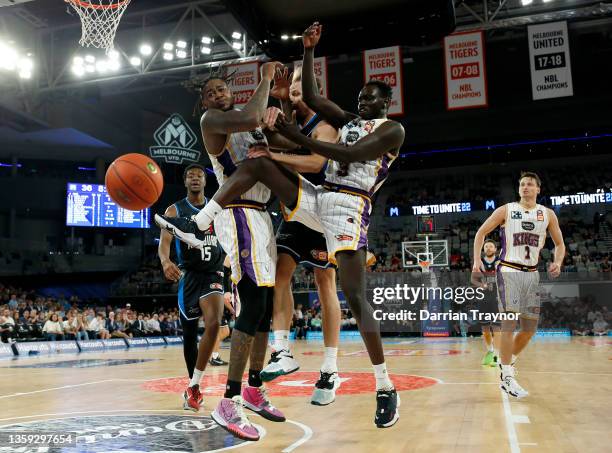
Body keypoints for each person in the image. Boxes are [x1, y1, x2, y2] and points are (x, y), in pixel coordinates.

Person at [159, 23, 404, 428]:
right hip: (315, 198)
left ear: (386, 102)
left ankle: (384, 385)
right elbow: (309, 96)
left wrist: (293, 135)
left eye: (372, 98)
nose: (363, 101)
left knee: (355, 300)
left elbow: (343, 153)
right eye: (361, 96)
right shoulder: (346, 118)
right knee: (259, 162)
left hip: (349, 208)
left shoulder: (392, 130)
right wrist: (309, 51)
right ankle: (204, 220)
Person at [156, 61, 287, 440]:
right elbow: (251, 115)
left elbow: (274, 133)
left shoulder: (250, 118)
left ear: (232, 90)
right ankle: (228, 401)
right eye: (210, 92)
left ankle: (254, 386)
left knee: (264, 308)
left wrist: (281, 98)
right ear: (204, 103)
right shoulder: (214, 121)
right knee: (251, 305)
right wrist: (264, 79)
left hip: (261, 215)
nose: (217, 95)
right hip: (237, 214)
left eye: (221, 89)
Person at [253, 66, 343, 406]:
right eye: (289, 84)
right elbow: (275, 134)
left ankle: (330, 368)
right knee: (281, 273)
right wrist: (271, 106)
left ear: (312, 89)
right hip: (296, 212)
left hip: (324, 211)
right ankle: (283, 351)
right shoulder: (289, 119)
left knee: (325, 283)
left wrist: (272, 155)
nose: (293, 88)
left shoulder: (324, 126)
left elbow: (317, 163)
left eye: (298, 84)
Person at [472, 171, 565, 399]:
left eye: (530, 184)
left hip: (532, 274)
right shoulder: (507, 210)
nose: (525, 187)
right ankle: (507, 377)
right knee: (509, 323)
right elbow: (481, 233)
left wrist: (557, 261)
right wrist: (476, 261)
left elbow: (560, 243)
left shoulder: (547, 214)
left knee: (530, 329)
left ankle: (508, 361)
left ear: (538, 189)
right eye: (522, 184)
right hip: (509, 270)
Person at [157, 164, 226, 412]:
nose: (195, 178)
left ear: (205, 182)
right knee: (189, 336)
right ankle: (193, 386)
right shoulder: (174, 209)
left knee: (214, 323)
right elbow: (164, 243)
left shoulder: (215, 208)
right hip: (189, 275)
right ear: (185, 182)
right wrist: (165, 262)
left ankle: (195, 384)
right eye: (190, 176)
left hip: (213, 273)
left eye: (199, 175)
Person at [471, 239, 502, 367]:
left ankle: (496, 355)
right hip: (483, 298)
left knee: (496, 327)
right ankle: (490, 350)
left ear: (495, 249)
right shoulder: (479, 263)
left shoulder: (500, 262)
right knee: (484, 327)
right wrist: (481, 285)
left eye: (491, 246)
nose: (488, 248)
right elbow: (473, 279)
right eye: (486, 246)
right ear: (483, 249)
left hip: (496, 298)